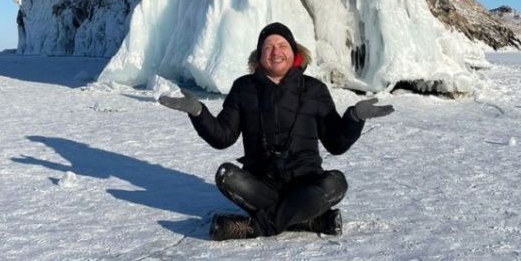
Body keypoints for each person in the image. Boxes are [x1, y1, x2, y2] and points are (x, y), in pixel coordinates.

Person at [159, 22, 394, 241]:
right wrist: (198, 112)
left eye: (282, 45)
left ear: (294, 52)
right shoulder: (244, 88)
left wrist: (354, 117)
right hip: (261, 185)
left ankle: (259, 226)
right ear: (259, 56)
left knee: (336, 183)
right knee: (225, 175)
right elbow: (223, 137)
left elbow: (336, 143)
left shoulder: (314, 90)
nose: (275, 52)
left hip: (305, 183)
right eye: (268, 47)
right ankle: (308, 219)